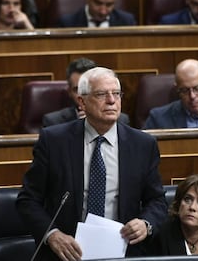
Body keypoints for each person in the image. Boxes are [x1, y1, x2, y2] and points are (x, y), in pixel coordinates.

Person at [17, 67, 167, 261]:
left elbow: (157, 200)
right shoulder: (54, 141)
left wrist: (145, 224)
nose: (112, 101)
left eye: (116, 94)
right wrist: (52, 234)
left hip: (123, 251)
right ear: (82, 101)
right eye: (101, 94)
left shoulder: (143, 144)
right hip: (66, 252)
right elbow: (28, 200)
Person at [42, 57, 130, 127]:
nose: (82, 94)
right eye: (77, 90)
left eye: (115, 93)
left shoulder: (121, 119)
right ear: (69, 92)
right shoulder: (53, 121)